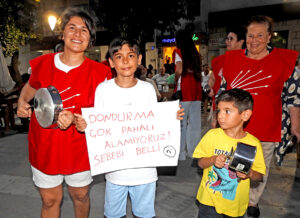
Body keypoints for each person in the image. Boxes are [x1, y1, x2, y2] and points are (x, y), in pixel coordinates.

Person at [17, 7, 112, 218]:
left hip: (80, 148)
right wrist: (22, 102)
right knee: (50, 200)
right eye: (72, 28)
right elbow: (30, 89)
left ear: (91, 39)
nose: (77, 34)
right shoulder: (42, 64)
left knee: (80, 196)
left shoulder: (101, 73)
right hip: (45, 146)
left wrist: (83, 120)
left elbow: (107, 114)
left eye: (84, 30)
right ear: (62, 34)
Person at [74, 37, 184, 218]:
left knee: (144, 214)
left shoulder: (147, 89)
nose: (125, 61)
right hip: (115, 172)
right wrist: (85, 125)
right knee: (113, 215)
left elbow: (153, 122)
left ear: (139, 59)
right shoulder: (103, 89)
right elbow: (98, 125)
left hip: (145, 172)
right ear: (111, 62)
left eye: (131, 55)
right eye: (119, 57)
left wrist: (171, 117)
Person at [218, 15, 300, 217]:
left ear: (269, 37)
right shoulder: (231, 59)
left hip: (267, 125)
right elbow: (222, 93)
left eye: (260, 35)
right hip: (236, 127)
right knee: (234, 166)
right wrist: (216, 118)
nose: (254, 40)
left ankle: (252, 203)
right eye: (250, 35)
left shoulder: (285, 61)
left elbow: (293, 97)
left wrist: (295, 125)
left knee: (258, 169)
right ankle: (233, 199)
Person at [193, 88, 266, 218]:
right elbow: (200, 163)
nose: (220, 115)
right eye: (219, 111)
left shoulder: (253, 143)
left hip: (235, 204)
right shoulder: (212, 135)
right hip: (209, 201)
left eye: (227, 111)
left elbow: (259, 176)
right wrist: (212, 159)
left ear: (245, 115)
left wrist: (249, 174)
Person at [173, 29, 202, 160]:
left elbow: (179, 69)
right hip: (196, 89)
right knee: (195, 123)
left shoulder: (178, 52)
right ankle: (194, 151)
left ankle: (181, 153)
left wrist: (175, 79)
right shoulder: (195, 53)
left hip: (184, 89)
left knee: (182, 124)